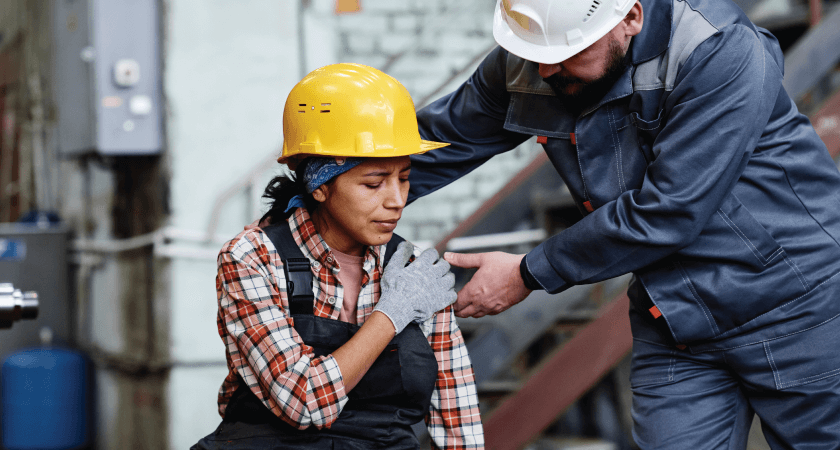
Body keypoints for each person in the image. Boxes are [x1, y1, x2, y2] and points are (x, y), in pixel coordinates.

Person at [409, 0, 840, 447]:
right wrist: (339, 190)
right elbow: (435, 142)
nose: (546, 70)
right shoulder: (537, 57)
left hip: (797, 308)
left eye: (565, 54)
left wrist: (527, 273)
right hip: (675, 323)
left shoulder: (717, 49)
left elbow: (670, 210)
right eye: (536, 53)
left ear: (631, 18)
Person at [193, 63, 484, 450]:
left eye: (404, 177)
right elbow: (303, 401)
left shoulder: (414, 271)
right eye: (374, 182)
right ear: (319, 186)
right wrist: (393, 313)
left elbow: (455, 409)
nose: (397, 200)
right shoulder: (253, 258)